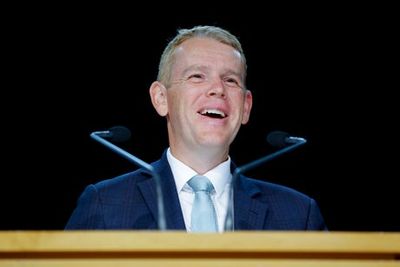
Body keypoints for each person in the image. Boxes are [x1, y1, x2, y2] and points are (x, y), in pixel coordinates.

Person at [65, 25, 327, 231]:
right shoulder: (104, 203)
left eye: (231, 80)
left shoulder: (297, 214)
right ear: (161, 98)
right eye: (197, 76)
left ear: (246, 107)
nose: (217, 89)